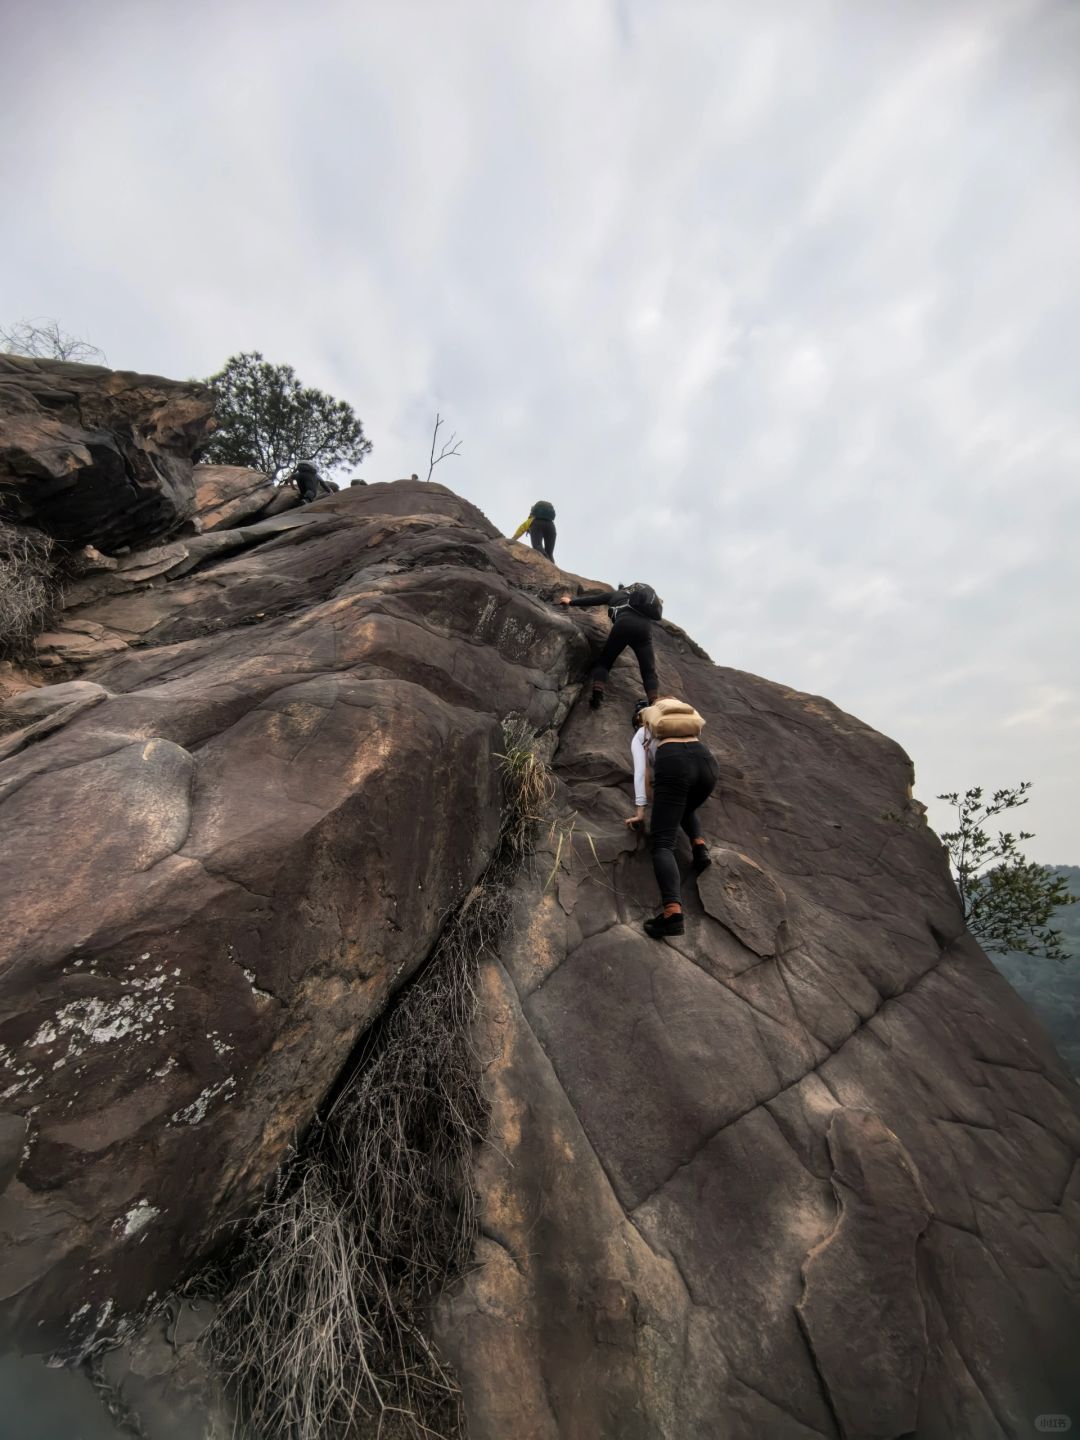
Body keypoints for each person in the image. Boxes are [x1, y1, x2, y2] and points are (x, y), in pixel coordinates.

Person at [625, 696, 716, 939]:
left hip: (675, 763)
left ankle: (672, 915)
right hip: (706, 763)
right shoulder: (680, 724)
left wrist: (640, 811)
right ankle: (700, 849)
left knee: (662, 843)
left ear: (641, 718)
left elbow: (641, 773)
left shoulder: (641, 734)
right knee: (682, 806)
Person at [558, 583, 661, 707]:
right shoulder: (643, 603)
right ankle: (654, 703)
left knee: (605, 662)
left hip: (623, 624)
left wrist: (571, 602)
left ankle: (597, 694)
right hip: (644, 629)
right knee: (648, 671)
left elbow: (593, 600)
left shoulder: (616, 594)